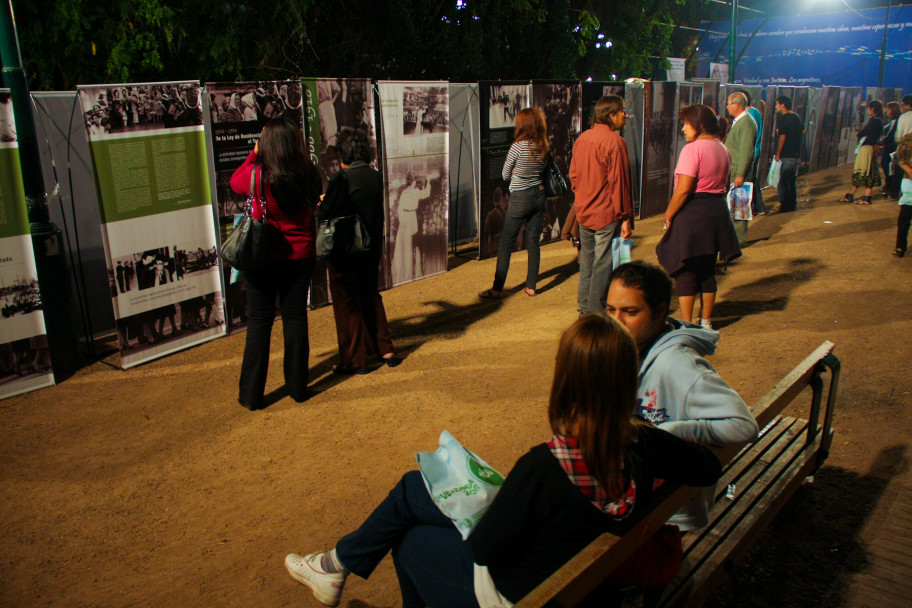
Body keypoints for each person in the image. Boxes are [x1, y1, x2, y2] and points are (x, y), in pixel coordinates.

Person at [284, 315, 722, 608]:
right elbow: (707, 467)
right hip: (578, 572)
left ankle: (337, 564)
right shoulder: (645, 446)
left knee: (411, 541)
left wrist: (490, 506)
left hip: (526, 595)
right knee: (414, 488)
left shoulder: (545, 468)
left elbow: (485, 549)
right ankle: (337, 563)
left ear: (565, 381)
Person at [606, 261, 759, 531]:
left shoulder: (677, 365)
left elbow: (743, 425)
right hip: (640, 499)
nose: (616, 321)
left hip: (670, 517)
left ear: (660, 311)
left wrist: (671, 433)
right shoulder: (628, 350)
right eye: (610, 309)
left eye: (630, 311)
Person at [229, 117, 322, 410]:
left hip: (263, 258)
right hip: (300, 257)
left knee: (259, 322)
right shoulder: (308, 173)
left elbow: (234, 181)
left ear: (266, 144)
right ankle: (297, 388)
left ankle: (251, 394)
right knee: (295, 319)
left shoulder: (257, 175)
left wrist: (253, 153)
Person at [320, 129, 402, 374]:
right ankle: (385, 349)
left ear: (342, 154)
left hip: (346, 250)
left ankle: (355, 360)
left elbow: (325, 213)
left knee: (347, 302)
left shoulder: (341, 179)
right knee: (370, 295)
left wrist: (322, 201)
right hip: (371, 248)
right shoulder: (375, 176)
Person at [657, 104, 740, 329]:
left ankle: (686, 325)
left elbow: (684, 188)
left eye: (686, 123)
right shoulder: (723, 148)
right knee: (707, 269)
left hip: (693, 213)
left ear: (700, 125)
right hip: (717, 213)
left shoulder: (692, 150)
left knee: (685, 270)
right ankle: (706, 321)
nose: (683, 128)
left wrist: (669, 214)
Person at [568, 95, 635, 314]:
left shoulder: (583, 139)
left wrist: (583, 198)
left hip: (584, 211)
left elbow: (573, 176)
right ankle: (594, 311)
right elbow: (620, 183)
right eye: (623, 112)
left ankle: (584, 305)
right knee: (602, 263)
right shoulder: (615, 143)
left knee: (587, 260)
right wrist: (625, 217)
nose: (625, 116)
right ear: (611, 115)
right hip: (606, 213)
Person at [478, 108, 548, 299]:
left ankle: (497, 289)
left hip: (520, 198)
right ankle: (531, 286)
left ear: (523, 125)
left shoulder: (517, 147)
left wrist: (517, 172)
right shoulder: (543, 145)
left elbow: (505, 174)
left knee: (506, 244)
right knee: (533, 242)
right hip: (539, 196)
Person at [724, 92, 758, 244]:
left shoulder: (747, 123)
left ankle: (738, 240)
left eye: (729, 103)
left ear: (736, 105)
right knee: (734, 206)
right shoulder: (741, 121)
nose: (727, 106)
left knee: (740, 207)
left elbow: (746, 151)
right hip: (735, 170)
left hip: (739, 172)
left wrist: (740, 174)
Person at [839, 100, 883, 205]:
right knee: (869, 171)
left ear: (872, 109)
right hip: (872, 148)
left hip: (866, 149)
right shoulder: (880, 121)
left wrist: (862, 133)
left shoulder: (873, 121)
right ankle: (865, 196)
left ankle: (854, 195)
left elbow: (862, 133)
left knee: (861, 171)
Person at [390, 173, 432, 285]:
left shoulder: (411, 192)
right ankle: (407, 273)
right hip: (407, 220)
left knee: (411, 245)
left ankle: (413, 271)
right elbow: (400, 209)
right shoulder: (410, 192)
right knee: (407, 246)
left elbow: (425, 193)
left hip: (410, 218)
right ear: (412, 182)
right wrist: (403, 223)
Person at [769, 95, 803, 214]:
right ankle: (792, 204)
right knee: (792, 181)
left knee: (783, 181)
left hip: (786, 154)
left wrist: (778, 153)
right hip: (796, 154)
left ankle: (783, 204)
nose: (776, 107)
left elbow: (783, 137)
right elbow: (803, 131)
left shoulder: (784, 119)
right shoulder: (796, 117)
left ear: (782, 105)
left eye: (777, 104)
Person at [739, 90, 764, 216]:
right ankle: (758, 207)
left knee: (747, 179)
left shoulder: (748, 116)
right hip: (756, 150)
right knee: (753, 178)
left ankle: (749, 209)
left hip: (751, 151)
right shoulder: (756, 112)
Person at [894, 132, 912, 257]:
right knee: (904, 217)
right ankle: (900, 246)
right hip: (910, 183)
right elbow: (901, 158)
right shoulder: (908, 138)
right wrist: (910, 170)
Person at [880, 101, 902, 199]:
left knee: (888, 166)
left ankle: (890, 186)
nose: (886, 111)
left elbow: (891, 135)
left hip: (891, 147)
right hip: (889, 146)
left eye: (888, 109)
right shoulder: (891, 120)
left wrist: (881, 142)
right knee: (886, 165)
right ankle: (888, 184)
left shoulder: (895, 120)